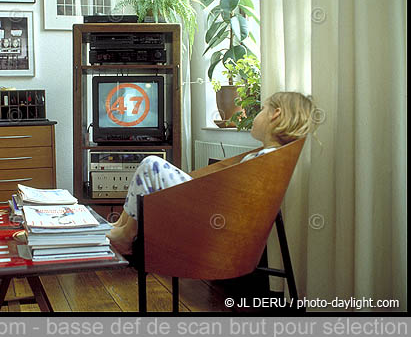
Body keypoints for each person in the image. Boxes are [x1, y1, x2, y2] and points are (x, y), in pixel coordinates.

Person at [107, 91, 320, 255]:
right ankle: (121, 226)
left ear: (276, 114)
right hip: (210, 211)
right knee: (150, 169)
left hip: (207, 218)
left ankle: (126, 235)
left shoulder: (265, 159)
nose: (257, 115)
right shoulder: (270, 157)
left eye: (262, 109)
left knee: (151, 164)